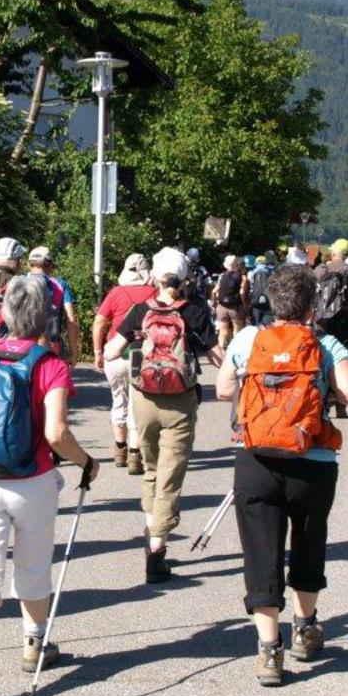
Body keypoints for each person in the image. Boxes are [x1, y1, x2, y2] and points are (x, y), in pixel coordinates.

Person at [0, 276, 100, 696]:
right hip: (32, 481)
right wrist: (87, 462)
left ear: (4, 314)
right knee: (33, 565)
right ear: (46, 318)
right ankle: (35, 643)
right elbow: (56, 433)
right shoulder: (50, 364)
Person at [216, 264, 348, 687]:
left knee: (260, 552)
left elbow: (223, 389)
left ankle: (269, 651)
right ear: (311, 305)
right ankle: (304, 627)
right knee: (308, 542)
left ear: (271, 302)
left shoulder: (249, 339)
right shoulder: (324, 343)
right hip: (312, 462)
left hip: (256, 460)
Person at [103, 248, 222, 583]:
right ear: (185, 279)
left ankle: (151, 534)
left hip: (144, 400)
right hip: (180, 402)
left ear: (154, 277)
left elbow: (111, 352)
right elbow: (217, 357)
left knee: (152, 471)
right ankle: (157, 550)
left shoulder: (141, 310)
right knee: (170, 476)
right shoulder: (194, 312)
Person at [93, 253, 156, 475]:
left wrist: (98, 351)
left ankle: (120, 450)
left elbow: (99, 322)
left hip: (115, 353)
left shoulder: (116, 292)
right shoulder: (154, 293)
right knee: (137, 405)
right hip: (143, 356)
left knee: (118, 400)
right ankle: (135, 454)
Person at [26, 246, 80, 363]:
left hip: (23, 347)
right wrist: (74, 352)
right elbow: (71, 319)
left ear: (29, 264)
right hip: (50, 347)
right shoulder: (60, 284)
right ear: (50, 264)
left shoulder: (19, 282)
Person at [212, 254, 249, 349]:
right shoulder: (243, 277)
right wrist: (244, 306)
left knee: (222, 332)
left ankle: (221, 352)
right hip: (235, 308)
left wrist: (215, 303)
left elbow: (214, 291)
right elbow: (242, 292)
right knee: (237, 332)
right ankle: (236, 351)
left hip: (221, 307)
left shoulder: (222, 276)